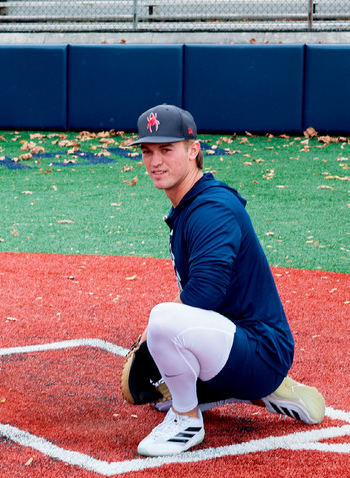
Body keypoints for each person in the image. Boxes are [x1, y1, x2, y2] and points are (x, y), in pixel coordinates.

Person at [128, 104, 325, 457]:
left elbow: (205, 292)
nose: (155, 161)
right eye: (148, 151)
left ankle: (186, 421)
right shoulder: (192, 203)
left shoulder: (211, 209)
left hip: (262, 348)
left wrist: (154, 332)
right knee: (163, 387)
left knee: (162, 322)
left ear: (193, 150)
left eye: (166, 149)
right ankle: (262, 388)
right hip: (240, 341)